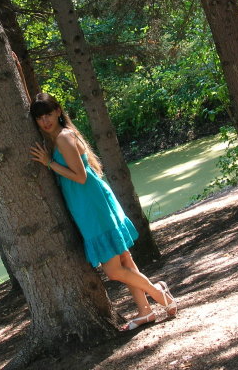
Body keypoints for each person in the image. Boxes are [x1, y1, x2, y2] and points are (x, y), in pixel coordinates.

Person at [29, 93, 177, 330]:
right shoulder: (61, 137)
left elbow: (80, 176)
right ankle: (145, 311)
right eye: (39, 117)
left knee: (114, 270)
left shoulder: (64, 138)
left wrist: (49, 163)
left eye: (48, 114)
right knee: (125, 260)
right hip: (91, 202)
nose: (44, 121)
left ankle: (160, 294)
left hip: (92, 205)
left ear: (57, 111)